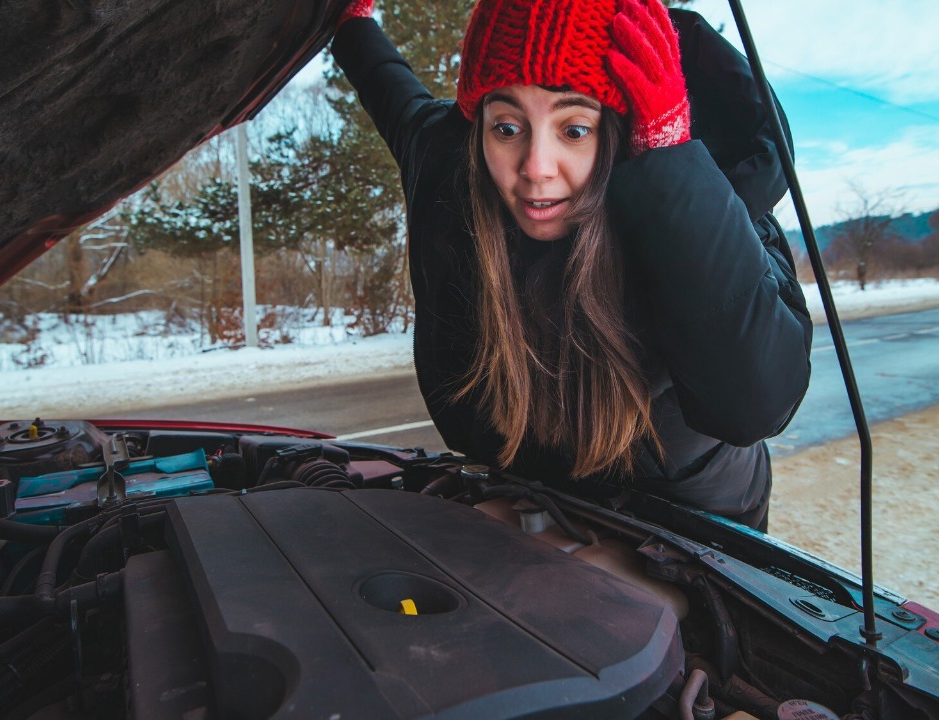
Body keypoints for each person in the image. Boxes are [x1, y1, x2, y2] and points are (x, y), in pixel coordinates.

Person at [332, 0, 811, 531]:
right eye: (507, 127)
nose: (536, 168)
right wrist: (350, 24)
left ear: (623, 133)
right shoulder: (450, 166)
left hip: (692, 527)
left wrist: (668, 165)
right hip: (525, 510)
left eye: (575, 130)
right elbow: (387, 86)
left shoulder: (716, 202)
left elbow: (754, 404)